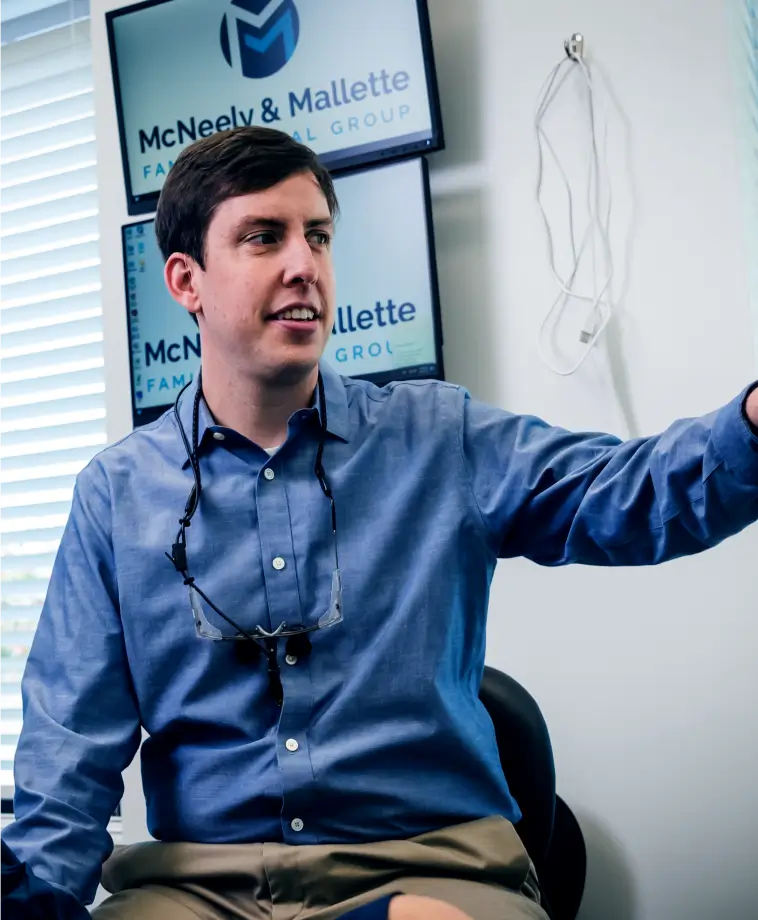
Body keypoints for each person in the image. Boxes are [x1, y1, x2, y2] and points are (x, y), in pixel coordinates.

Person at [3, 125, 758, 920]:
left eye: (318, 237)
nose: (305, 265)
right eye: (265, 237)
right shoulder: (115, 495)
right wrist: (39, 899)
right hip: (198, 892)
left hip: (428, 873)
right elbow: (69, 750)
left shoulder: (441, 437)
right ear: (186, 281)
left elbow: (632, 496)